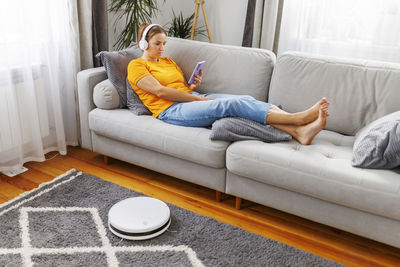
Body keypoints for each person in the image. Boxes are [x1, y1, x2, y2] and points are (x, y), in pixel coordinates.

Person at [127, 23, 330, 145]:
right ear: (144, 44)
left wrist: (192, 86)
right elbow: (161, 91)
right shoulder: (136, 66)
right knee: (230, 106)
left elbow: (180, 88)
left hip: (190, 100)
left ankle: (299, 132)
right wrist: (195, 97)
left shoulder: (168, 62)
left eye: (164, 43)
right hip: (171, 111)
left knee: (245, 100)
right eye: (157, 44)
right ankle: (298, 119)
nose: (162, 48)